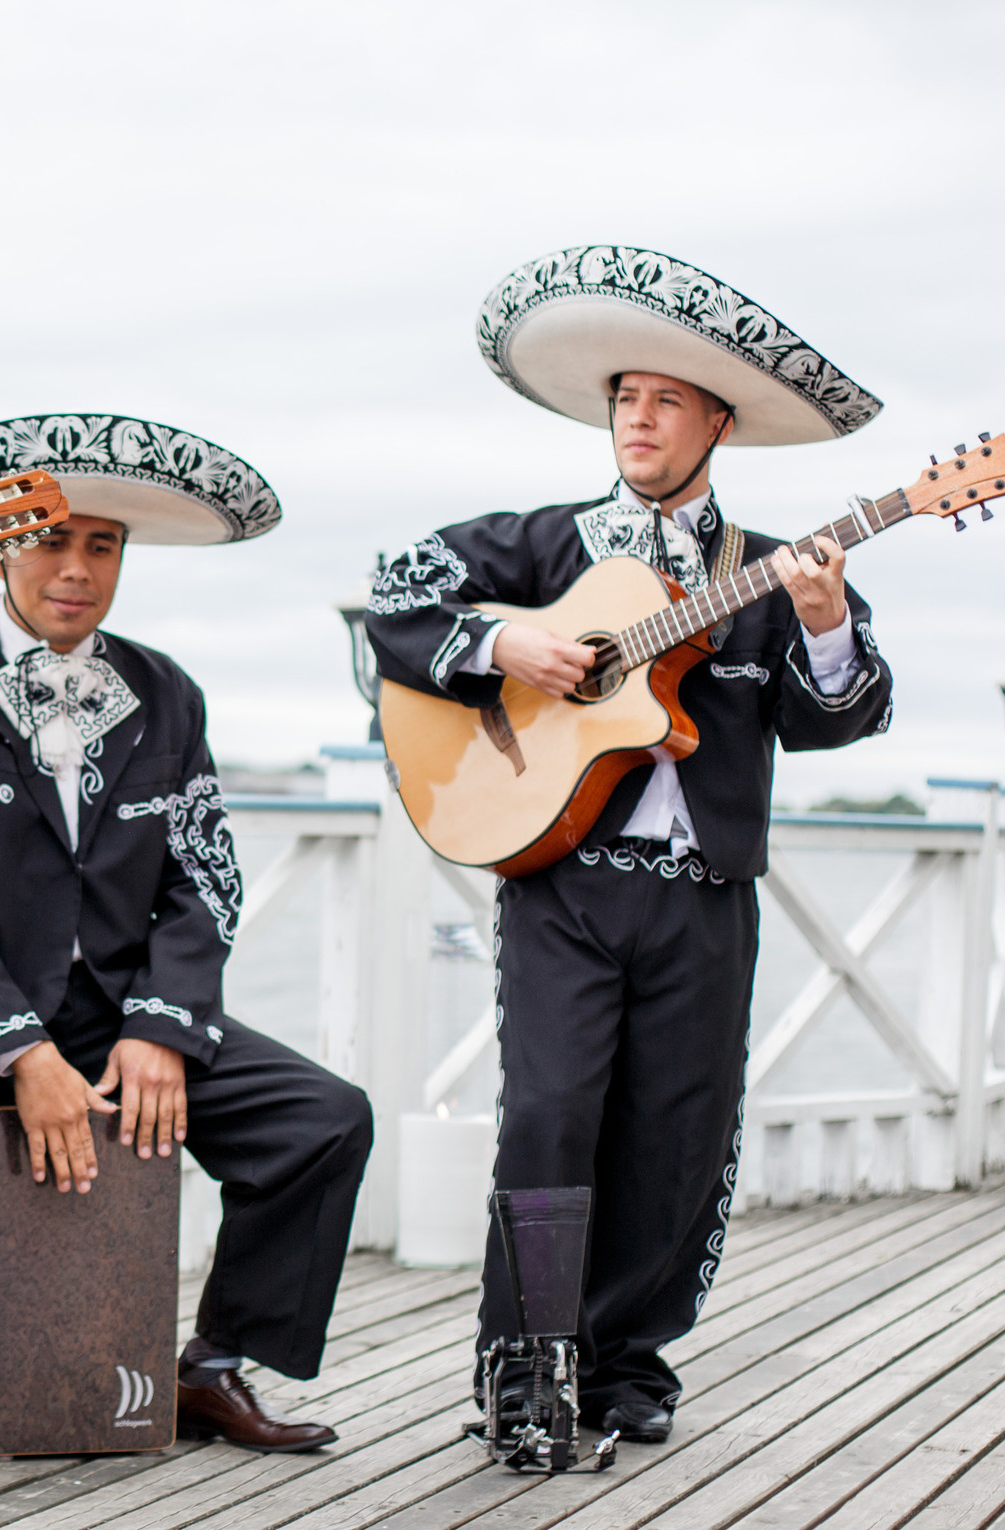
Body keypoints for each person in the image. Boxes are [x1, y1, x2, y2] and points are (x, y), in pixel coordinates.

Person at [364, 246, 895, 1446]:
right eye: (624, 400)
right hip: (564, 880)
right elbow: (391, 602)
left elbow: (837, 720)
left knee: (678, 1133)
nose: (638, 421)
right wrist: (505, 651)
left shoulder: (771, 571)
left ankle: (624, 1366)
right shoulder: (542, 547)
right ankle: (523, 1363)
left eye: (664, 401)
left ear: (718, 420)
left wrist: (821, 626)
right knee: (549, 1115)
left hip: (705, 892)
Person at [0, 415, 375, 1470]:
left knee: (324, 1120)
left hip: (117, 1007)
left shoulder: (169, 692)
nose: (75, 570)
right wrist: (22, 1052)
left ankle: (210, 1368)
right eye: (52, 541)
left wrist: (161, 1026)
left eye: (101, 546)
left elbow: (203, 878)